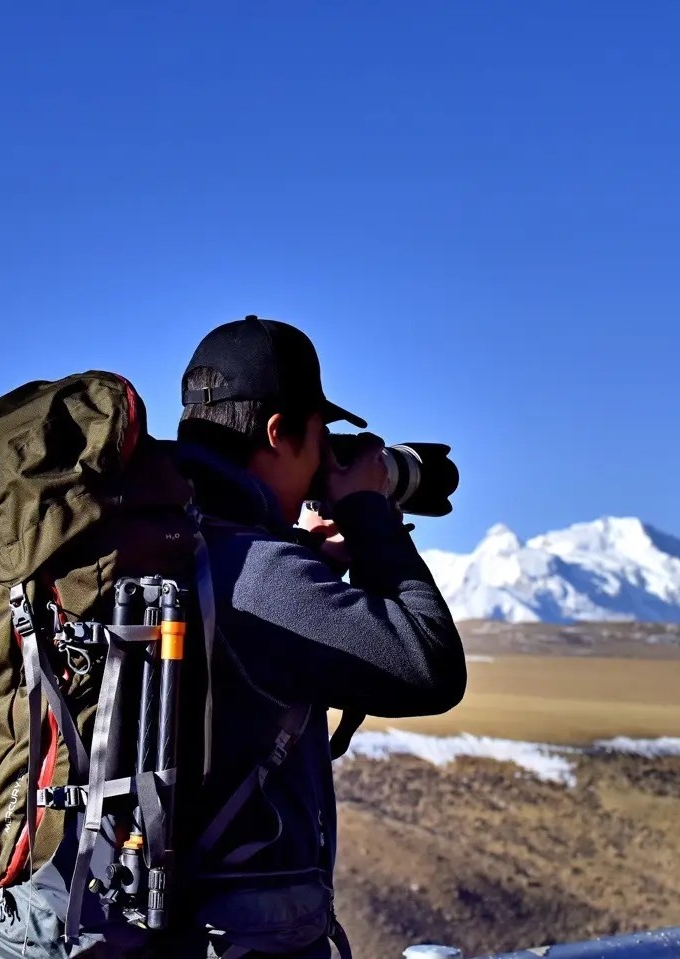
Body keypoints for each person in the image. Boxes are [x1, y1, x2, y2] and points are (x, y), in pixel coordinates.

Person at [167, 315, 468, 958]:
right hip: (235, 941)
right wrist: (365, 510)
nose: (325, 461)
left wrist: (305, 558)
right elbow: (431, 667)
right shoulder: (257, 572)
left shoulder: (172, 542)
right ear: (278, 433)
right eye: (319, 438)